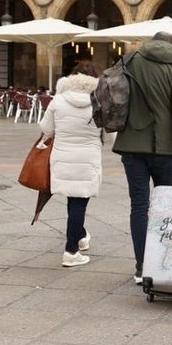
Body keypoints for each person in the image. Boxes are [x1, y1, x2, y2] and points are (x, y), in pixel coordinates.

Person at [112, 31, 172, 284]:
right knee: (163, 208)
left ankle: (140, 267)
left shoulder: (128, 61)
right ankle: (161, 264)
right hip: (164, 149)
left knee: (138, 206)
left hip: (130, 144)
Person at [38, 60, 106, 267]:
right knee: (79, 201)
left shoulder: (58, 100)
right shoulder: (99, 101)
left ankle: (81, 235)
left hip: (62, 155)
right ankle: (71, 250)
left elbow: (46, 128)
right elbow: (109, 133)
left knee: (73, 200)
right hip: (88, 157)